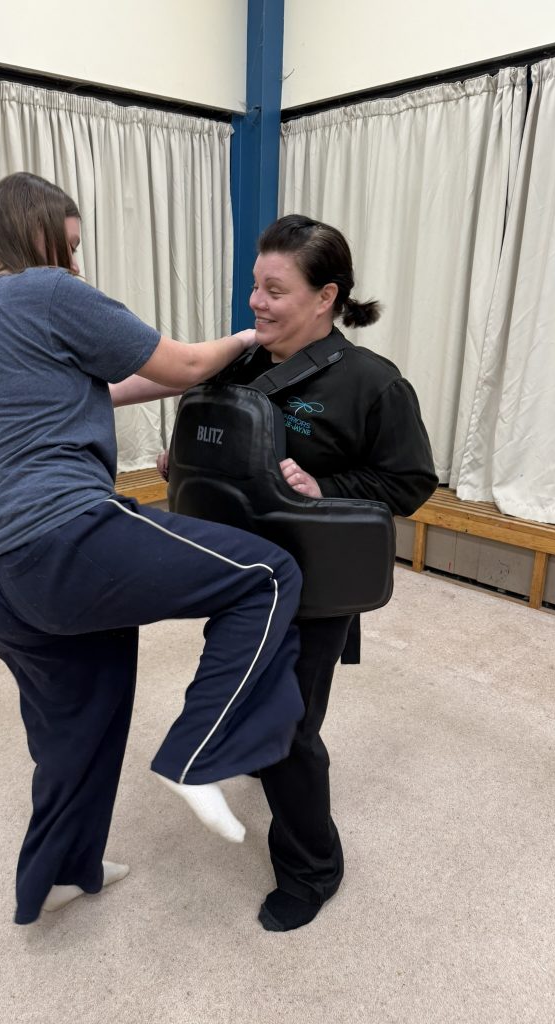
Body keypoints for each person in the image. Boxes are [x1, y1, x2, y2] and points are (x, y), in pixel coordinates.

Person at [0, 172, 306, 926]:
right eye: (67, 245)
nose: (74, 263)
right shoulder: (45, 291)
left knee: (80, 720)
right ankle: (198, 756)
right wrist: (248, 339)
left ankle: (57, 874)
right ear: (33, 232)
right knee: (267, 575)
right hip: (62, 539)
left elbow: (102, 391)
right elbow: (183, 364)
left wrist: (192, 376)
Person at [159, 214, 438, 932]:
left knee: (288, 725)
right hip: (238, 573)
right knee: (249, 692)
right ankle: (259, 754)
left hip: (312, 586)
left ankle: (314, 868)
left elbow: (410, 482)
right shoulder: (238, 364)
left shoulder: (374, 384)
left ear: (326, 297)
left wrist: (325, 487)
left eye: (275, 290)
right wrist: (183, 462)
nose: (256, 301)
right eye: (255, 286)